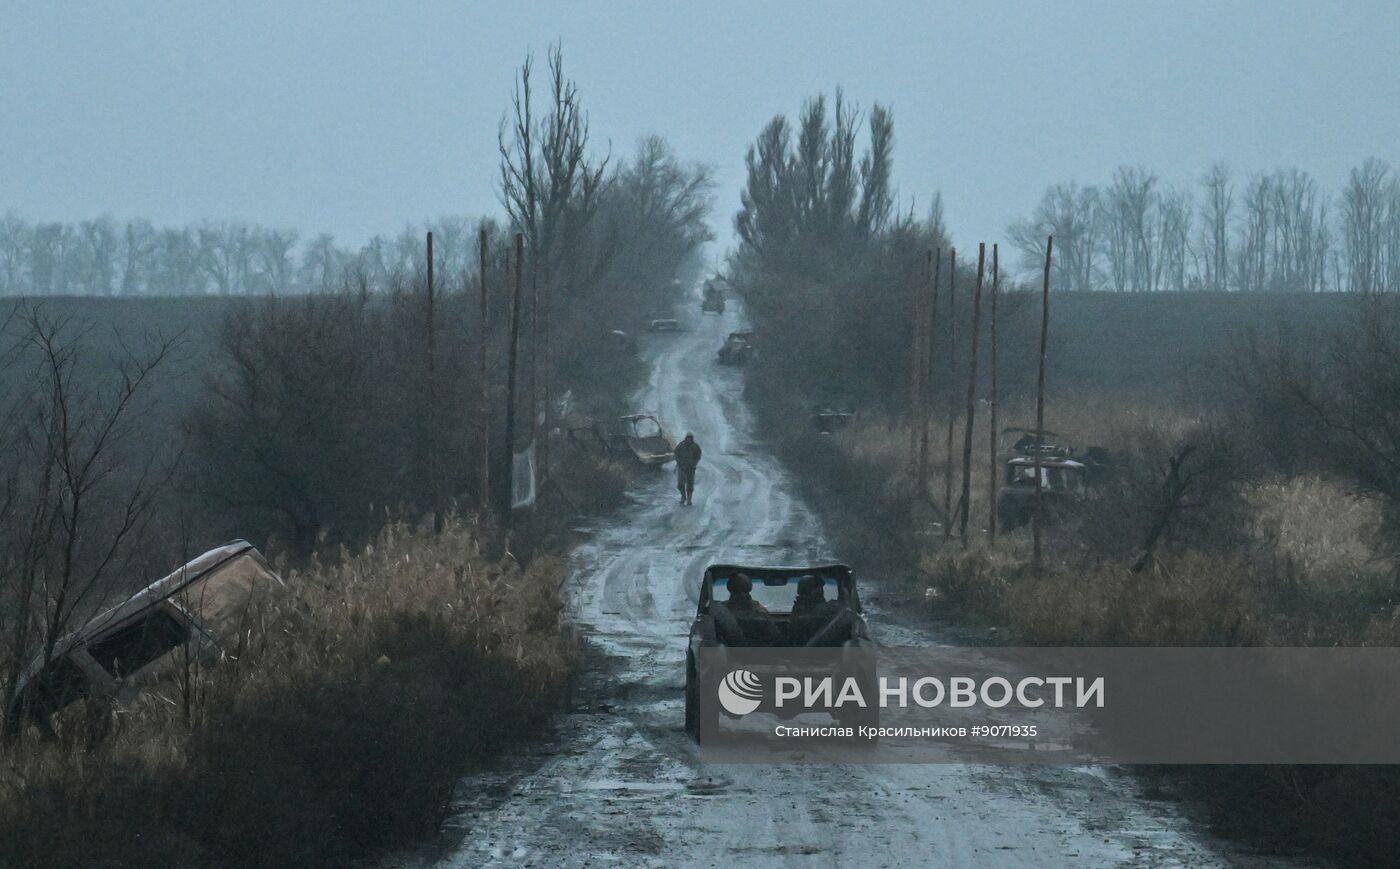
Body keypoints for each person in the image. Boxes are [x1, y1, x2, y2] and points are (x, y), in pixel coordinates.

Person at [674, 432, 702, 505]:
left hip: (691, 468)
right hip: (682, 467)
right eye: (688, 438)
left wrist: (694, 463)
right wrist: (678, 461)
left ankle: (689, 499)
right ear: (686, 438)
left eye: (690, 438)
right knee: (680, 484)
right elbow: (676, 452)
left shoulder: (695, 446)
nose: (689, 439)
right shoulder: (681, 445)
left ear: (692, 438)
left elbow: (698, 455)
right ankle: (683, 496)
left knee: (690, 485)